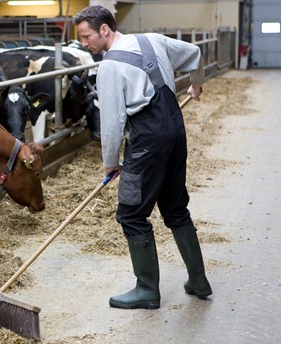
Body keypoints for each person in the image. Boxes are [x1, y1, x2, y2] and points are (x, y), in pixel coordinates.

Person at [72, 5, 212, 309]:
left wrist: (111, 162)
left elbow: (111, 123)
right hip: (175, 129)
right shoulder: (152, 40)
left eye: (86, 36)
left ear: (105, 30)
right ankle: (199, 281)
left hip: (147, 140)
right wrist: (197, 83)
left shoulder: (108, 68)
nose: (84, 44)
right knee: (175, 208)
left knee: (131, 214)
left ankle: (147, 290)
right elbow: (194, 54)